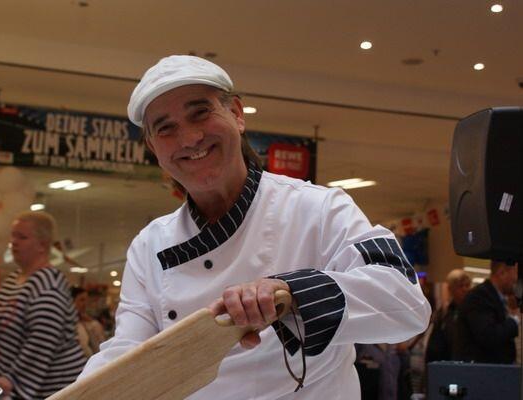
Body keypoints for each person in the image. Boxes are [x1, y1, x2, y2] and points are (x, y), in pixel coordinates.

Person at [79, 55, 431, 399]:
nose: (189, 138)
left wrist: (290, 293)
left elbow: (406, 302)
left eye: (200, 113)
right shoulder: (149, 244)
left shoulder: (319, 208)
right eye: (165, 128)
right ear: (154, 148)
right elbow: (128, 350)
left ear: (236, 114)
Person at [0, 211, 87, 399]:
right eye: (13, 236)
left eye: (22, 237)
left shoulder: (49, 284)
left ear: (42, 245)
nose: (13, 242)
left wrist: (11, 379)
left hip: (52, 391)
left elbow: (42, 340)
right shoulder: (11, 281)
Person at [453, 260, 519, 363]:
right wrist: (514, 320)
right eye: (516, 273)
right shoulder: (479, 297)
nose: (517, 279)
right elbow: (488, 336)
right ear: (502, 273)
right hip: (480, 370)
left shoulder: (495, 297)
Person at [425, 268, 471, 363]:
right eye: (460, 286)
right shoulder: (443, 313)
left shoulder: (473, 311)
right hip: (445, 361)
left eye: (467, 285)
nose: (465, 289)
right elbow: (434, 346)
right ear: (451, 289)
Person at [71, 287, 106, 358]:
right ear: (72, 301)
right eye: (81, 300)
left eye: (86, 300)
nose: (85, 303)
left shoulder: (88, 323)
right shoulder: (70, 323)